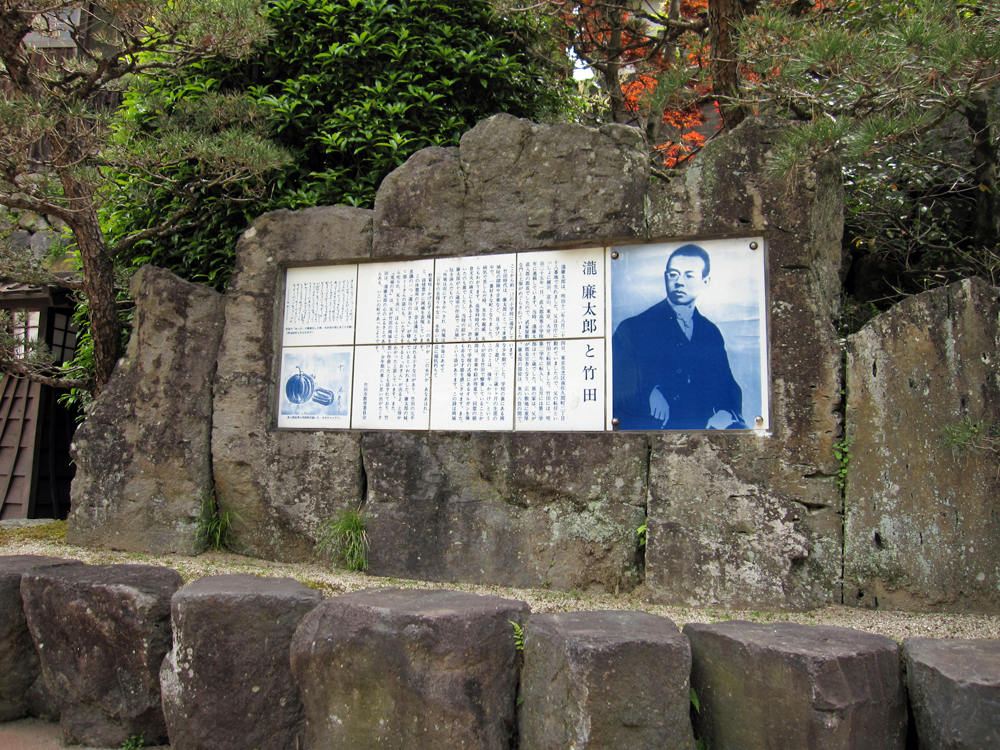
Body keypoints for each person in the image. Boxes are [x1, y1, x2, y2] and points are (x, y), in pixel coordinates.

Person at [612, 244, 745, 430]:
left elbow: (728, 385)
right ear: (665, 277)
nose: (679, 282)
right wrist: (649, 393)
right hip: (654, 429)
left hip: (703, 432)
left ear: (705, 281)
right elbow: (617, 387)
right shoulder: (633, 328)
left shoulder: (710, 332)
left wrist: (725, 412)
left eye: (689, 275)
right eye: (673, 275)